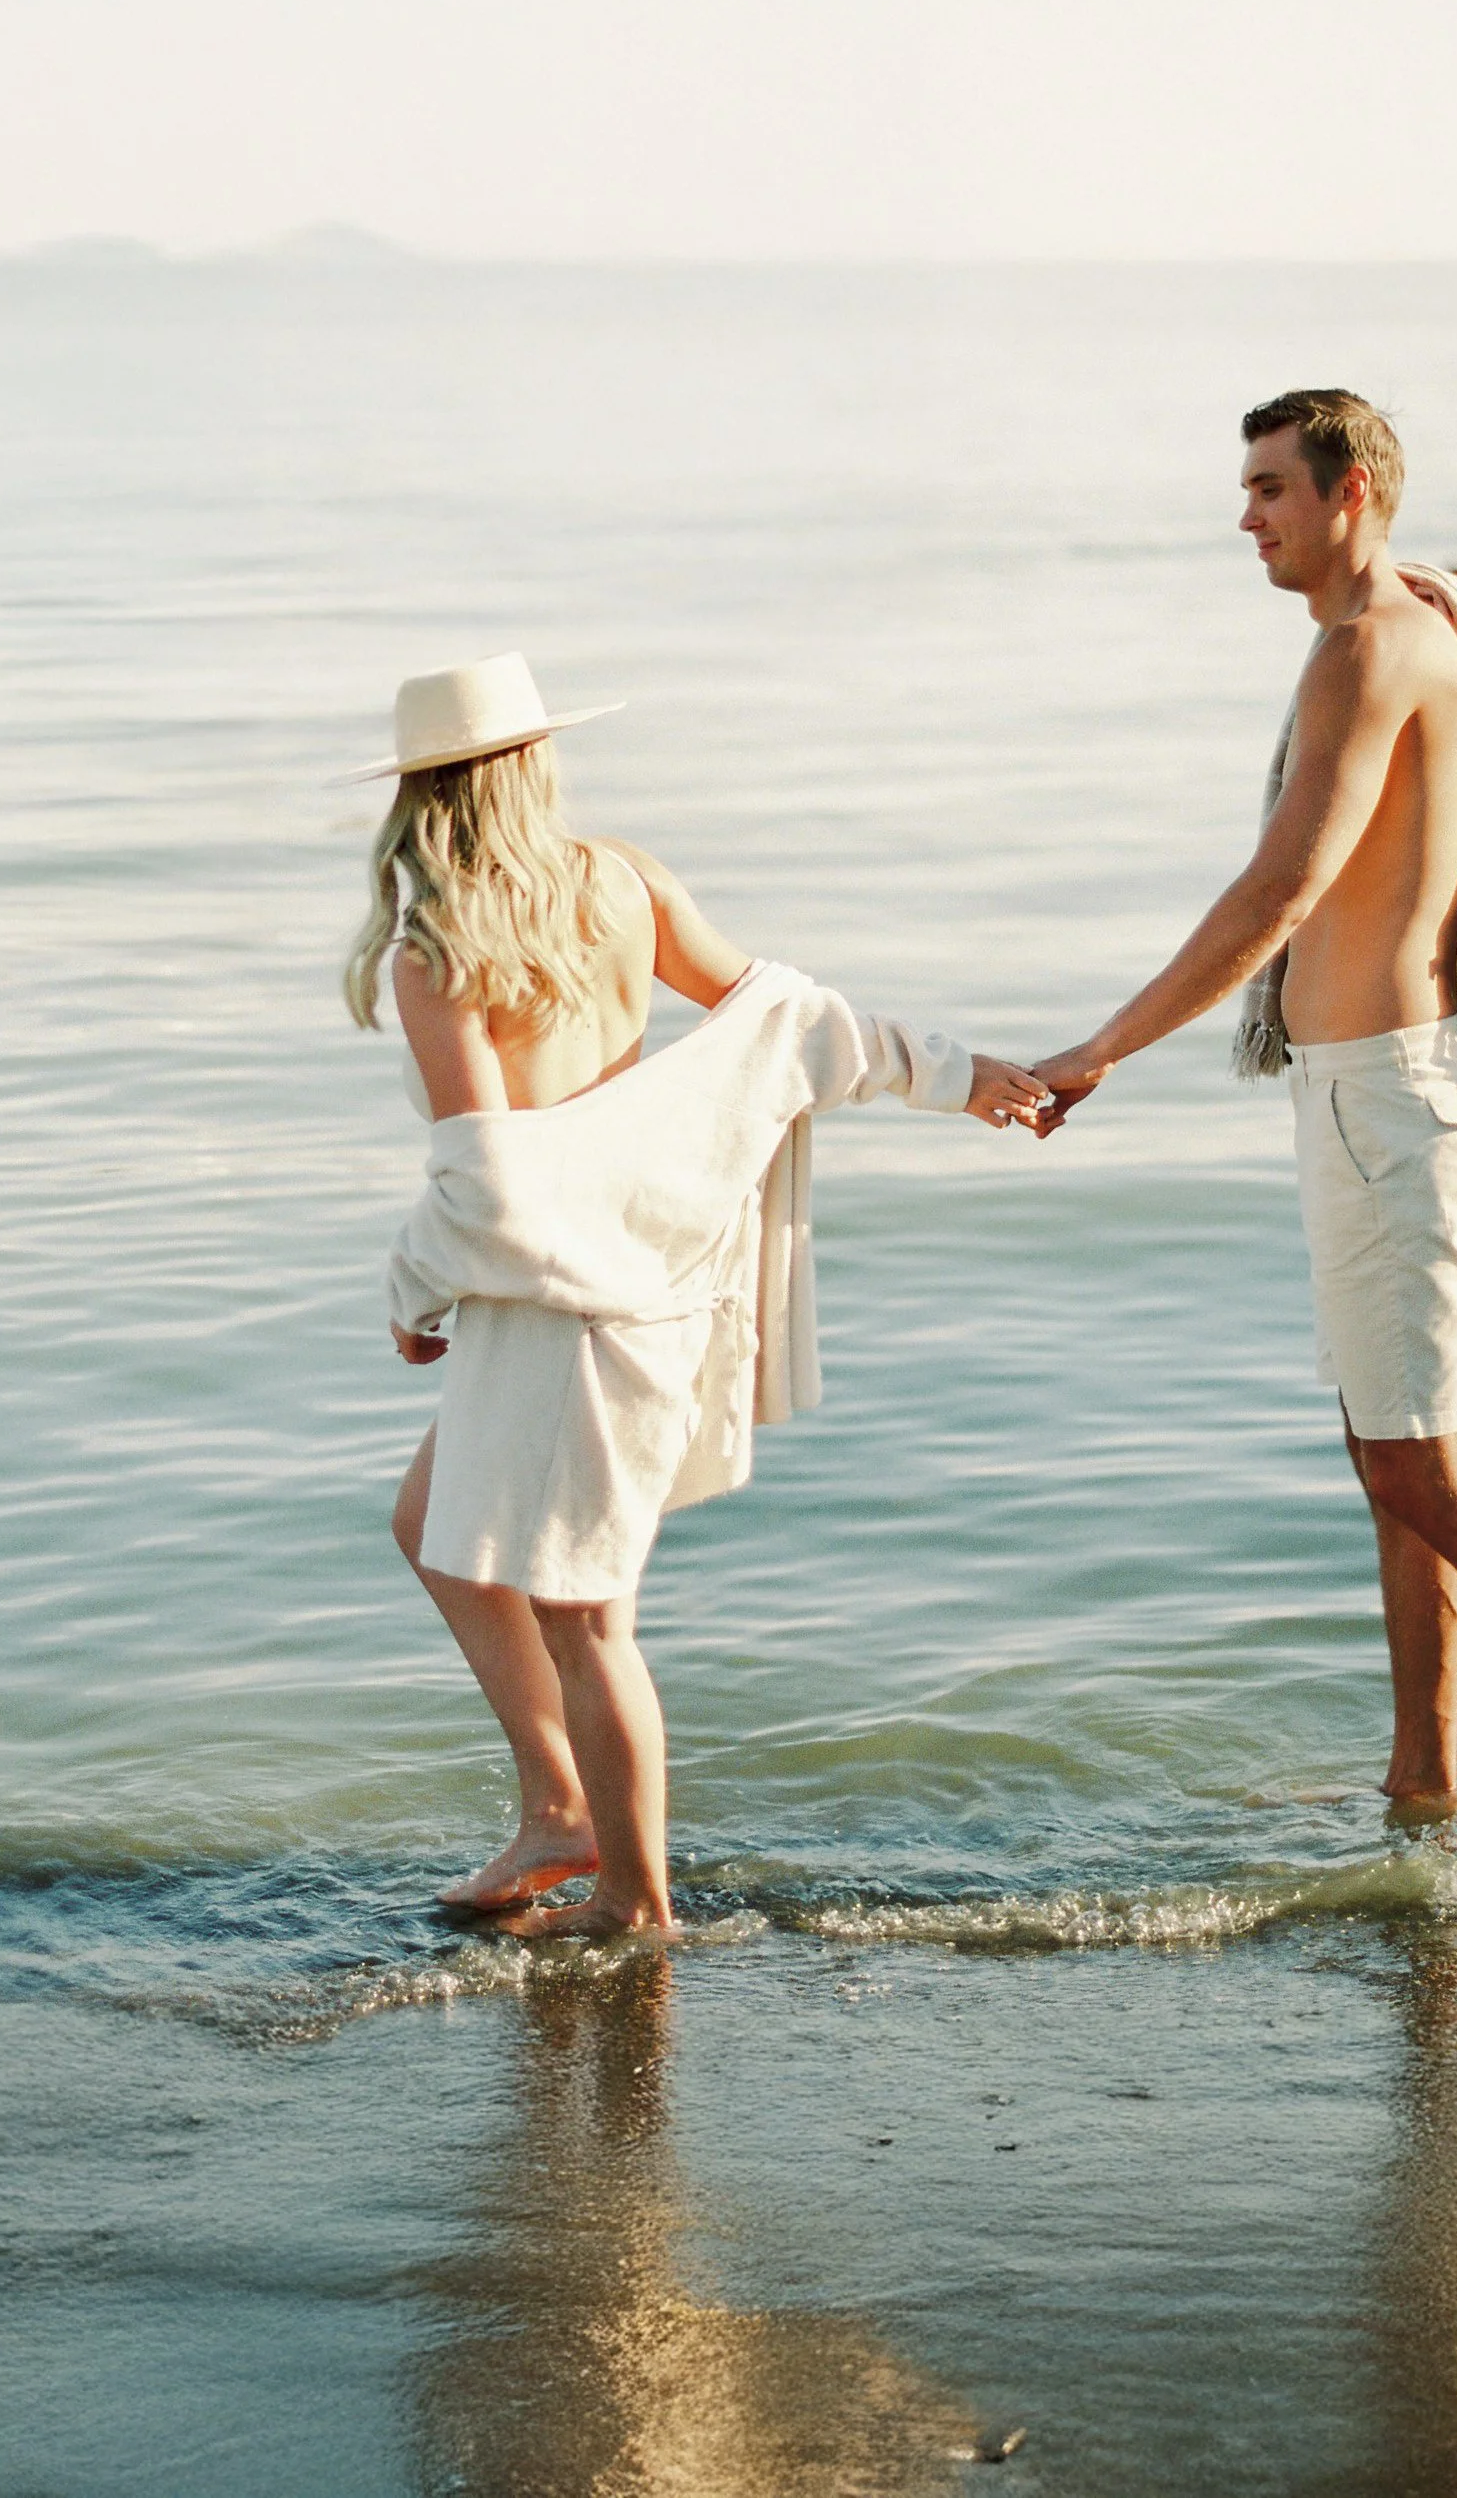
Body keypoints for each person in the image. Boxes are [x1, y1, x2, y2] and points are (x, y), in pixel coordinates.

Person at [1031, 391, 1457, 1821]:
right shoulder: (1423, 620)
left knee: (1427, 1464)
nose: (1246, 516)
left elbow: (1282, 887)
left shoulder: (1371, 648)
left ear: (1348, 489)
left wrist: (1102, 1048)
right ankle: (1423, 1777)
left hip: (1391, 1100)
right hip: (1375, 1095)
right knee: (1394, 1457)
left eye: (1269, 487)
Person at [344, 653, 1049, 1938]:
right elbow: (793, 1023)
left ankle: (637, 1902)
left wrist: (412, 1289)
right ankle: (559, 1806)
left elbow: (483, 1179)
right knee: (428, 1520)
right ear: (531, 764)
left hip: (565, 1311)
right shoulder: (622, 882)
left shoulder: (434, 952)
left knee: (588, 1625)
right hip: (637, 1283)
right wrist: (955, 1073)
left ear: (421, 796)